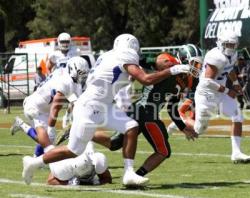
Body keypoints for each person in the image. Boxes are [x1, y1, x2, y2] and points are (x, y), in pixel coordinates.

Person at [21, 33, 192, 186]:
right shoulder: (126, 54)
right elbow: (146, 79)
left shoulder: (109, 55)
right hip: (91, 106)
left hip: (104, 104)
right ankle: (33, 163)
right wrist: (173, 70)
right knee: (74, 151)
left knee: (131, 126)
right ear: (131, 46)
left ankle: (129, 173)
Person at [93, 52, 198, 178]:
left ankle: (84, 132)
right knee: (163, 151)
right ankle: (137, 175)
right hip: (147, 112)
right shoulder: (169, 63)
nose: (197, 67)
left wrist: (182, 127)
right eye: (195, 63)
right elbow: (144, 60)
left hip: (138, 111)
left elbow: (171, 107)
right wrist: (170, 67)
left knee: (114, 143)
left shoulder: (183, 80)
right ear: (184, 59)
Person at [193, 30, 250, 163]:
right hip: (206, 92)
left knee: (238, 115)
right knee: (199, 129)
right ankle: (178, 123)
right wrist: (228, 91)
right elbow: (207, 81)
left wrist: (236, 83)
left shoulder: (233, 54)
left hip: (221, 90)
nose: (230, 48)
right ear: (220, 43)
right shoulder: (215, 56)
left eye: (233, 45)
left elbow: (230, 69)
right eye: (228, 45)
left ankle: (236, 153)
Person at [10, 57, 90, 157]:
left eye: (84, 73)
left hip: (44, 107)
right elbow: (56, 106)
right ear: (72, 70)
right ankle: (21, 125)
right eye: (80, 73)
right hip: (34, 107)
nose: (82, 77)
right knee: (47, 140)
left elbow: (76, 102)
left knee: (48, 140)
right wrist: (52, 127)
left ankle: (37, 158)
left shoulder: (64, 74)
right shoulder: (66, 81)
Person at [48, 142, 112, 186]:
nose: (87, 176)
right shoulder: (64, 167)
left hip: (84, 147)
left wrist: (97, 182)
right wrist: (68, 183)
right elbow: (50, 180)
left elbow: (108, 179)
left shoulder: (96, 160)